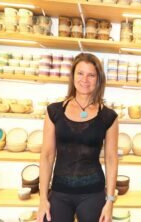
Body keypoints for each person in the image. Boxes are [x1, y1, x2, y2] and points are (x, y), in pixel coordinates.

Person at [37, 53, 119, 222]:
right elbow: (46, 156)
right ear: (73, 76)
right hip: (59, 192)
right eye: (80, 73)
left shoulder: (108, 116)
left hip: (93, 193)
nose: (85, 79)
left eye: (91, 75)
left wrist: (109, 202)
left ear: (98, 79)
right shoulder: (54, 111)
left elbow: (111, 159)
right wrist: (43, 199)